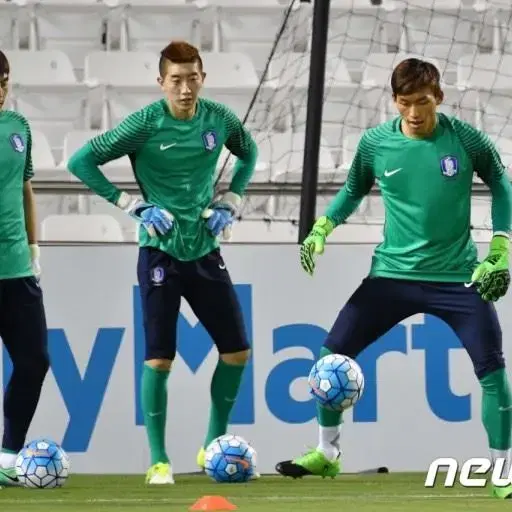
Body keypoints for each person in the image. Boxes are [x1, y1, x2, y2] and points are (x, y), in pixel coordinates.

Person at [275, 58, 512, 499]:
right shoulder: (376, 144)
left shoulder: (466, 139)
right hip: (391, 276)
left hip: (458, 277)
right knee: (330, 356)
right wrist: (323, 228)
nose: (415, 113)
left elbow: (501, 183)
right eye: (405, 104)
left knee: (493, 373)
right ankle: (328, 454)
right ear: (395, 102)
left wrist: (500, 246)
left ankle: (502, 472)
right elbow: (351, 191)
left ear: (438, 97)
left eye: (422, 102)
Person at [67, 40, 258, 485]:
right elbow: (81, 160)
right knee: (159, 359)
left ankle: (213, 445)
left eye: (193, 78)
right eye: (176, 80)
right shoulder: (144, 124)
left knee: (237, 352)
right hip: (160, 252)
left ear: (203, 78)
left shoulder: (220, 120)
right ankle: (159, 461)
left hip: (206, 248)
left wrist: (231, 199)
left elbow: (249, 154)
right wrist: (131, 204)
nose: (186, 88)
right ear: (161, 83)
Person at [0, 50, 49, 486]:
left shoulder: (19, 127)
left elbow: (26, 188)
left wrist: (34, 248)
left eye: (2, 83)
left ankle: (8, 454)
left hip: (17, 270)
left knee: (34, 361)